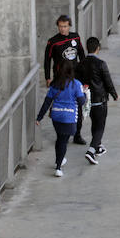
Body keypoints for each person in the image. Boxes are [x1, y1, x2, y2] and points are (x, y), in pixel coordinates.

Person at [36, 61, 87, 177]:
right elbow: (81, 102)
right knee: (64, 141)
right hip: (69, 116)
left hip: (56, 116)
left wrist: (39, 117)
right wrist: (84, 94)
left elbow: (47, 102)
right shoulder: (76, 84)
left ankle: (59, 160)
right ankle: (58, 167)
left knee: (60, 138)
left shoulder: (55, 84)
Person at [75, 37, 119, 165]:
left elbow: (77, 82)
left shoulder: (80, 64)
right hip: (100, 100)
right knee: (100, 127)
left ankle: (98, 146)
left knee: (95, 123)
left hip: (86, 101)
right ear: (98, 48)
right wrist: (114, 95)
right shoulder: (101, 64)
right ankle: (91, 150)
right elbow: (108, 81)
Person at [43, 15, 86, 144]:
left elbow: (82, 54)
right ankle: (62, 134)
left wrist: (84, 74)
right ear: (58, 26)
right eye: (61, 26)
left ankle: (77, 134)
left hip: (75, 77)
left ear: (69, 26)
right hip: (59, 78)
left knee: (77, 106)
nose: (63, 29)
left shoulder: (75, 37)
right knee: (60, 105)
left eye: (65, 26)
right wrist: (48, 77)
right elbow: (47, 60)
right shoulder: (53, 41)